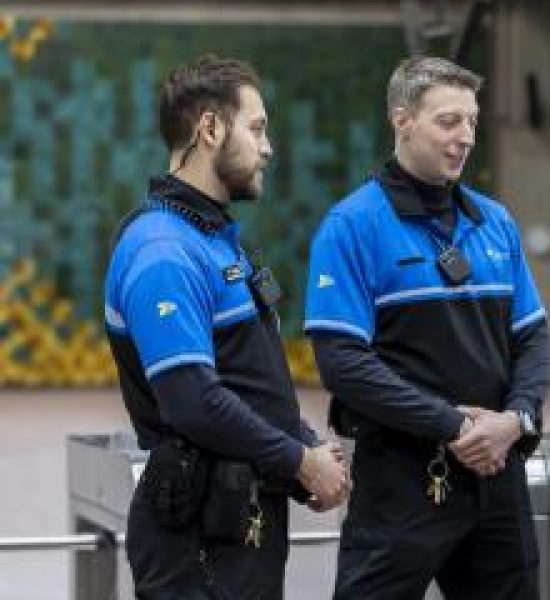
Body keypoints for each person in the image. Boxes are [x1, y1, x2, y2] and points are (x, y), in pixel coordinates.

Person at [305, 56, 550, 600]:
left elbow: (532, 336)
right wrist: (455, 427)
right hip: (402, 482)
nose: (464, 137)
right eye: (448, 121)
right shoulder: (352, 226)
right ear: (402, 120)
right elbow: (343, 363)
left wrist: (516, 418)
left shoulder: (495, 222)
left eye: (471, 122)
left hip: (497, 476)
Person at [104, 54, 348, 599]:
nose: (267, 148)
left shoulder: (214, 238)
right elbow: (192, 400)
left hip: (240, 519)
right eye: (257, 128)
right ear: (209, 128)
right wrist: (301, 463)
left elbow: (247, 376)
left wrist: (304, 441)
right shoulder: (163, 250)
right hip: (197, 538)